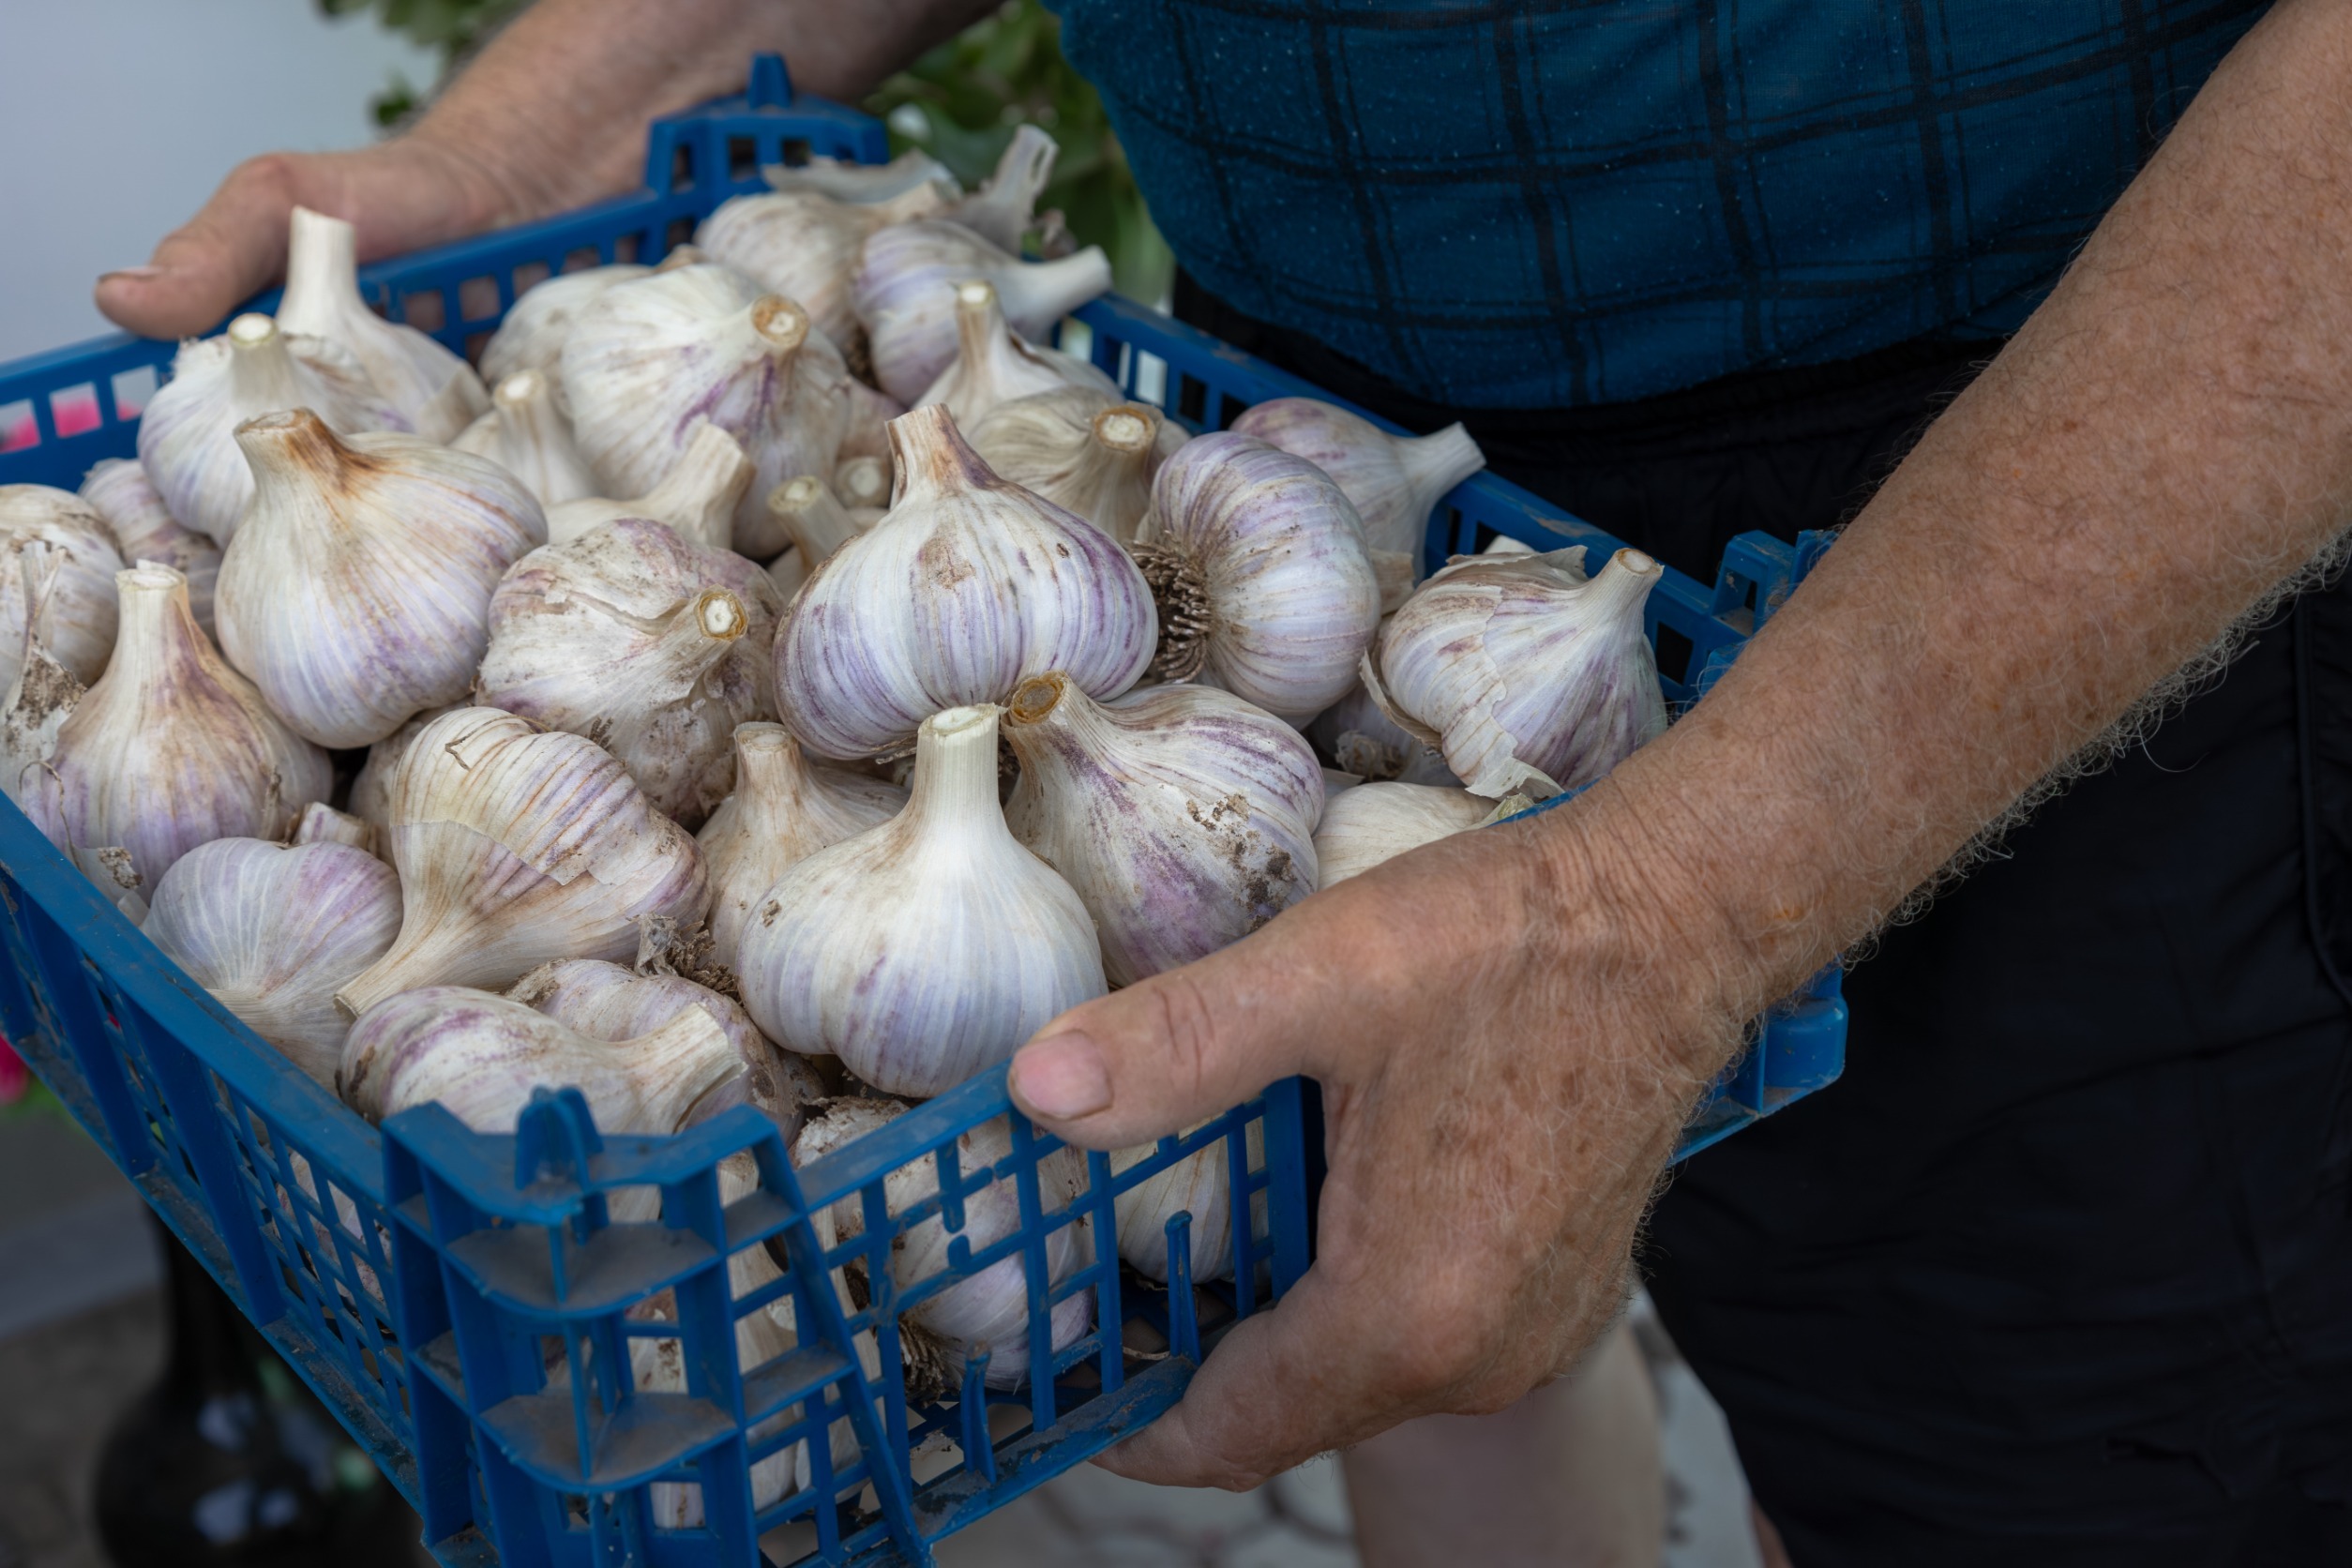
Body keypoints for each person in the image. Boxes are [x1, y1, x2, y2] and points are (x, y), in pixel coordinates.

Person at [98, 2, 2352, 1562]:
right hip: (1301, 443)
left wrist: (1676, 904)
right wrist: (512, 159)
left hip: (2065, 498)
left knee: (2021, 1479)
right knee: (1396, 1311)